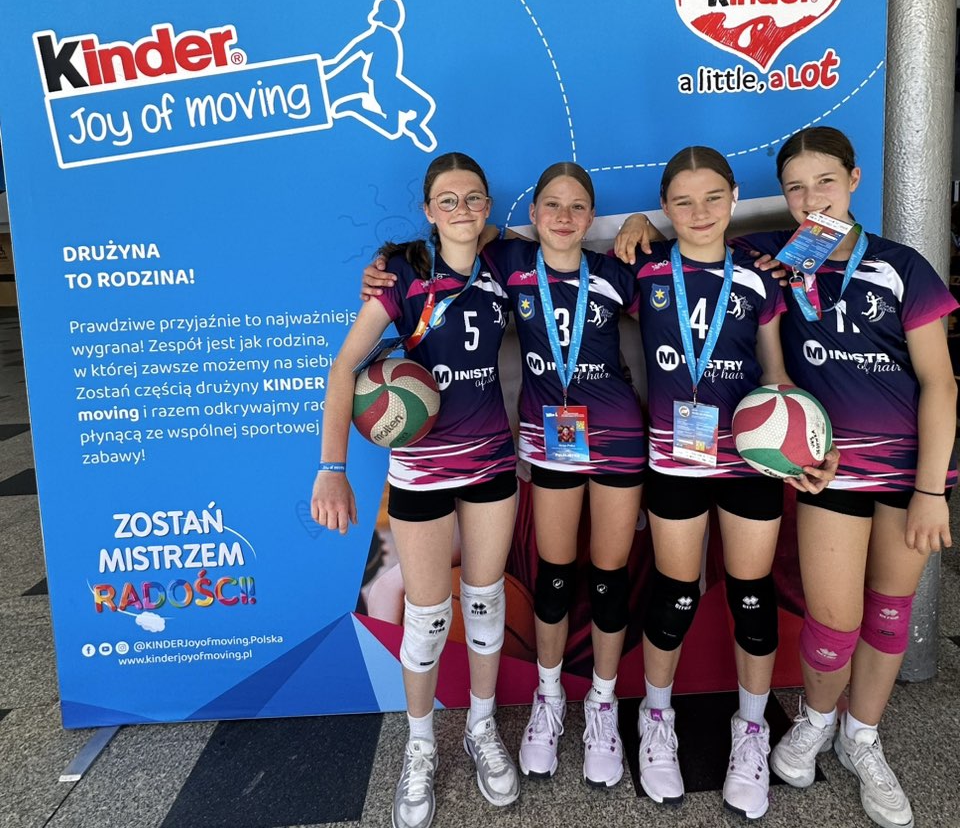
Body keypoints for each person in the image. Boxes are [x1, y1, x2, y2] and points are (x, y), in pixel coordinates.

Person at [617, 128, 955, 828]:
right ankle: (810, 722)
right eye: (796, 188)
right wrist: (641, 226)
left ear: (854, 179)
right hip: (822, 470)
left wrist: (932, 490)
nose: (811, 199)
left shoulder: (899, 265)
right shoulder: (769, 259)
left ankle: (860, 738)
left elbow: (941, 383)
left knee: (888, 614)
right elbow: (695, 240)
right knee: (834, 619)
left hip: (905, 471)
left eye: (825, 182)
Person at [364, 162, 647, 789]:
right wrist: (393, 262)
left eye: (578, 206)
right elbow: (462, 232)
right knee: (552, 578)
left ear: (592, 215)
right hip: (549, 442)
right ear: (532, 214)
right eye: (552, 205)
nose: (565, 217)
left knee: (609, 579)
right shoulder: (510, 263)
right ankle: (548, 698)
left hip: (619, 437)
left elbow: (682, 289)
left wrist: (641, 225)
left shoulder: (614, 273)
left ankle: (602, 704)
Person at [623, 147, 836, 820]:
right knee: (675, 595)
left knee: (751, 596)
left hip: (748, 462)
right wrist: (631, 223)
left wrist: (806, 440)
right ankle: (656, 719)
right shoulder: (644, 268)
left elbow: (776, 374)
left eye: (713, 197)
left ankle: (751, 732)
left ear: (735, 196)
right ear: (664, 206)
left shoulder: (757, 275)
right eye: (682, 201)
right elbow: (551, 259)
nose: (699, 212)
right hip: (675, 462)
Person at [312, 152, 519, 828]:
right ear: (429, 210)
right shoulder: (400, 274)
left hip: (491, 465)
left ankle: (481, 727)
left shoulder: (505, 266)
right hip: (422, 471)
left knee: (484, 603)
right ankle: (421, 744)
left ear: (487, 206)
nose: (462, 208)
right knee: (428, 616)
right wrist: (332, 468)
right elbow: (345, 367)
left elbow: (569, 238)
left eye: (473, 197)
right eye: (447, 199)